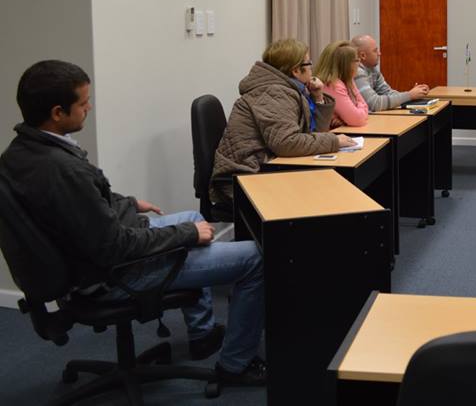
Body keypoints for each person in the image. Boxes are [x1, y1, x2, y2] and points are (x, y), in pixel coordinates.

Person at [0, 61, 267, 384]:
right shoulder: (61, 170)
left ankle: (203, 334)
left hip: (85, 259)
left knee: (195, 216)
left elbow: (78, 208)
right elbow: (117, 246)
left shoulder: (22, 153)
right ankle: (235, 365)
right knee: (256, 258)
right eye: (83, 102)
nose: (89, 107)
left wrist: (128, 204)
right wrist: (184, 235)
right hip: (112, 274)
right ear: (58, 112)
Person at [211, 39, 355, 205]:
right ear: (295, 70)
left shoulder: (289, 89)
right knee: (328, 197)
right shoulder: (274, 93)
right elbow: (286, 142)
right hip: (244, 176)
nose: (312, 67)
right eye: (309, 63)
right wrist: (334, 141)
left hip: (265, 166)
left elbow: (316, 133)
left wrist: (318, 97)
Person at [351, 34, 429, 112]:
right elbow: (374, 104)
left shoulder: (373, 69)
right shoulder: (357, 72)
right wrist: (409, 95)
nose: (379, 53)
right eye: (375, 51)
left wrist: (415, 93)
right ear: (363, 55)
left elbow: (387, 92)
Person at [317, 40, 369, 128]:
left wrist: (349, 116)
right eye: (357, 60)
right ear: (347, 65)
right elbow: (357, 119)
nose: (359, 64)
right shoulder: (333, 84)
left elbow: (365, 107)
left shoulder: (347, 79)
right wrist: (358, 110)